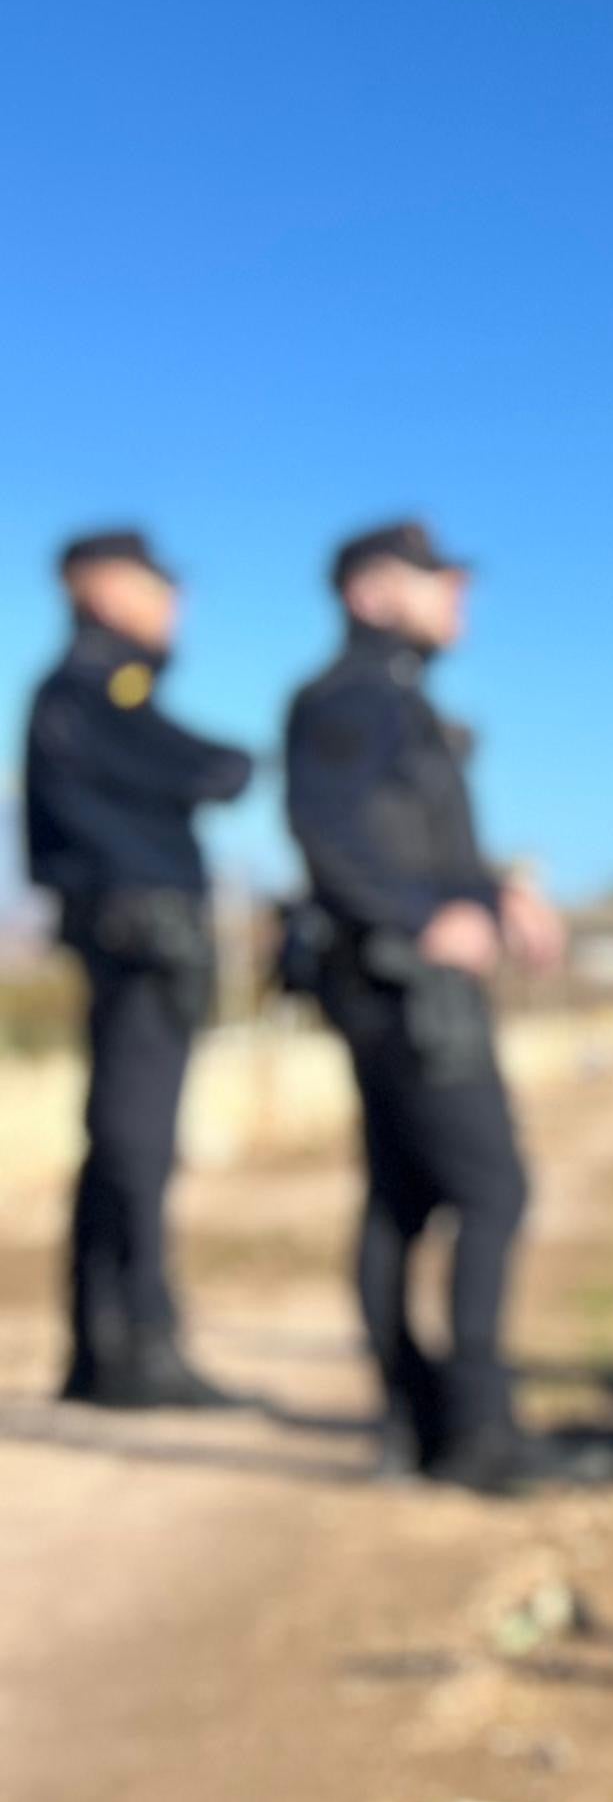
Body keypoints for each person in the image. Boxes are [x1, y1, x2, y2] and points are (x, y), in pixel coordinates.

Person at [283, 519, 566, 1489]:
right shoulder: (350, 697)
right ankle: (478, 1433)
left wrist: (494, 897)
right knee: (492, 1188)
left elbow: (414, 847)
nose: (459, 598)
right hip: (404, 986)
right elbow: (325, 835)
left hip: (402, 978)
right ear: (370, 592)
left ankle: (413, 1426)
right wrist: (425, 919)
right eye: (437, 580)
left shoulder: (399, 699)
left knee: (403, 1199)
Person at [23, 529, 254, 1407]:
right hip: (138, 938)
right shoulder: (87, 690)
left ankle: (101, 1350)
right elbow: (206, 767)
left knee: (123, 1139)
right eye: (159, 588)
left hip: (135, 935)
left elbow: (206, 766)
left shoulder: (103, 693)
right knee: (135, 1141)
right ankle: (139, 1350)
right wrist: (206, 772)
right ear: (104, 589)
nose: (175, 607)